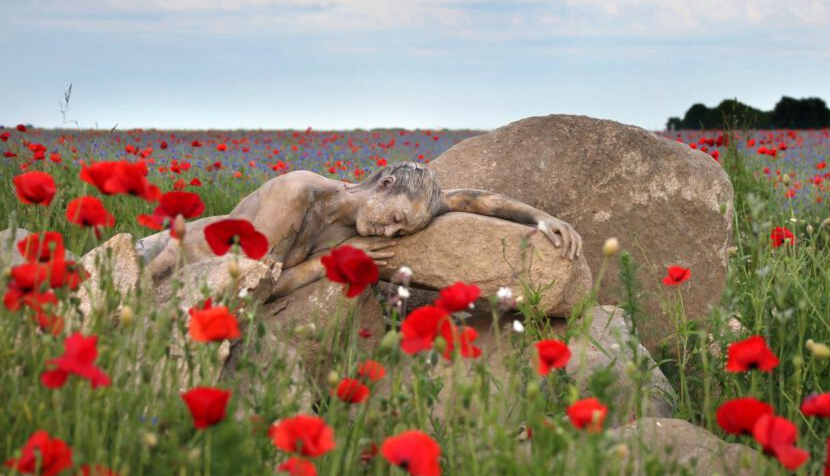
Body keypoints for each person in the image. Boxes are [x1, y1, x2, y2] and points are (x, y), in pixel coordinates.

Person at [146, 161, 582, 300]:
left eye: (400, 232)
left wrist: (541, 218)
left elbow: (470, 199)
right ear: (385, 183)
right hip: (169, 258)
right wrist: (325, 265)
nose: (389, 235)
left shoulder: (387, 209)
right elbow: (250, 287)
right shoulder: (298, 194)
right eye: (394, 220)